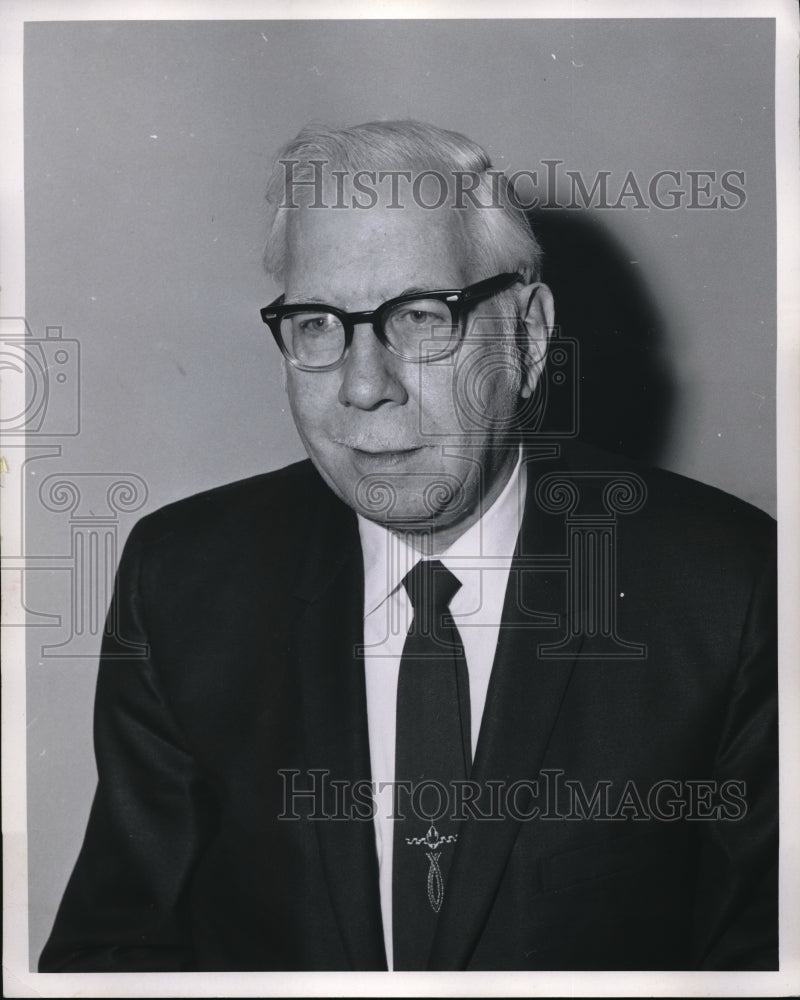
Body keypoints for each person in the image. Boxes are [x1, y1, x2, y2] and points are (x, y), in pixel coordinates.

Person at [39, 120, 777, 972]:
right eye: (318, 323)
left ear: (530, 338)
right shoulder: (183, 581)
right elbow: (118, 951)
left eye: (422, 318)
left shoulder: (730, 586)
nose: (363, 386)